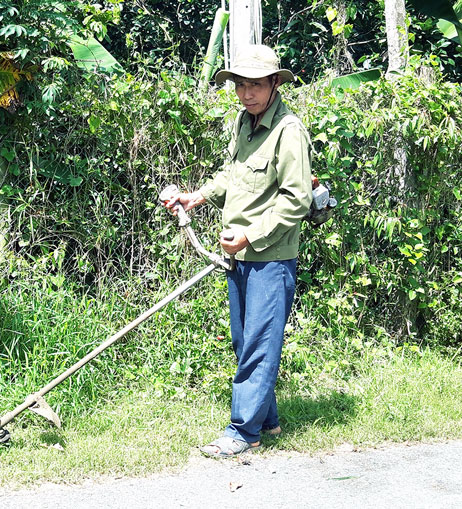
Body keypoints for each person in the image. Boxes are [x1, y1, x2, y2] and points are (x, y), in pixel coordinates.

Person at [164, 45, 312, 458]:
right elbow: (232, 174)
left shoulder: (288, 131)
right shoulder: (245, 125)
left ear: (273, 85)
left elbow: (296, 199)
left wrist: (250, 235)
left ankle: (243, 432)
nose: (247, 93)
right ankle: (268, 420)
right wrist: (198, 197)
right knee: (245, 340)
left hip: (270, 255)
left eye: (255, 85)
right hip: (239, 254)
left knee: (260, 343)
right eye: (240, 85)